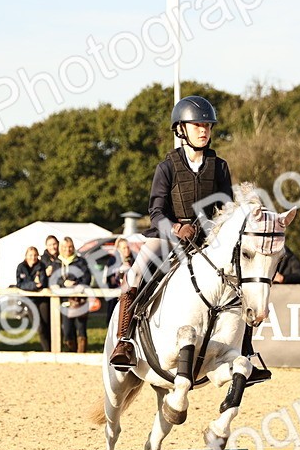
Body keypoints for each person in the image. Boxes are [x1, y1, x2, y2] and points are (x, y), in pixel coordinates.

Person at [109, 95, 271, 384]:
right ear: (180, 129)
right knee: (134, 273)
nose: (204, 130)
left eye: (208, 125)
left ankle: (246, 350)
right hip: (167, 235)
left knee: (238, 280)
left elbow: (226, 207)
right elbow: (155, 210)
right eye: (198, 125)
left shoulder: (218, 166)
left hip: (208, 238)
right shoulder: (167, 167)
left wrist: (212, 229)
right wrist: (174, 228)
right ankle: (124, 341)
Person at [50, 237, 91, 353]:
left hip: (79, 301)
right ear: (60, 248)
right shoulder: (56, 263)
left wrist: (76, 284)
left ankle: (82, 354)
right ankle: (71, 353)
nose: (67, 249)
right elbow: (54, 279)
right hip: (64, 301)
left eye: (69, 247)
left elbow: (87, 277)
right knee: (67, 331)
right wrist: (63, 283)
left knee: (81, 329)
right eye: (64, 247)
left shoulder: (80, 261)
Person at [34, 234, 61, 352]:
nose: (53, 247)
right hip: (45, 296)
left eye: (54, 244)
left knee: (60, 325)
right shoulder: (42, 260)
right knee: (45, 324)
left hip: (60, 294)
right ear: (46, 246)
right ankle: (48, 350)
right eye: (50, 244)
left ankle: (58, 348)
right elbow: (38, 276)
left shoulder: (62, 257)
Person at [104, 236, 135, 324]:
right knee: (113, 316)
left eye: (128, 247)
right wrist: (112, 278)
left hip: (129, 293)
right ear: (119, 249)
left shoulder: (133, 260)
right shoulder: (112, 260)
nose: (126, 250)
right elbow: (109, 277)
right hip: (115, 294)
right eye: (124, 248)